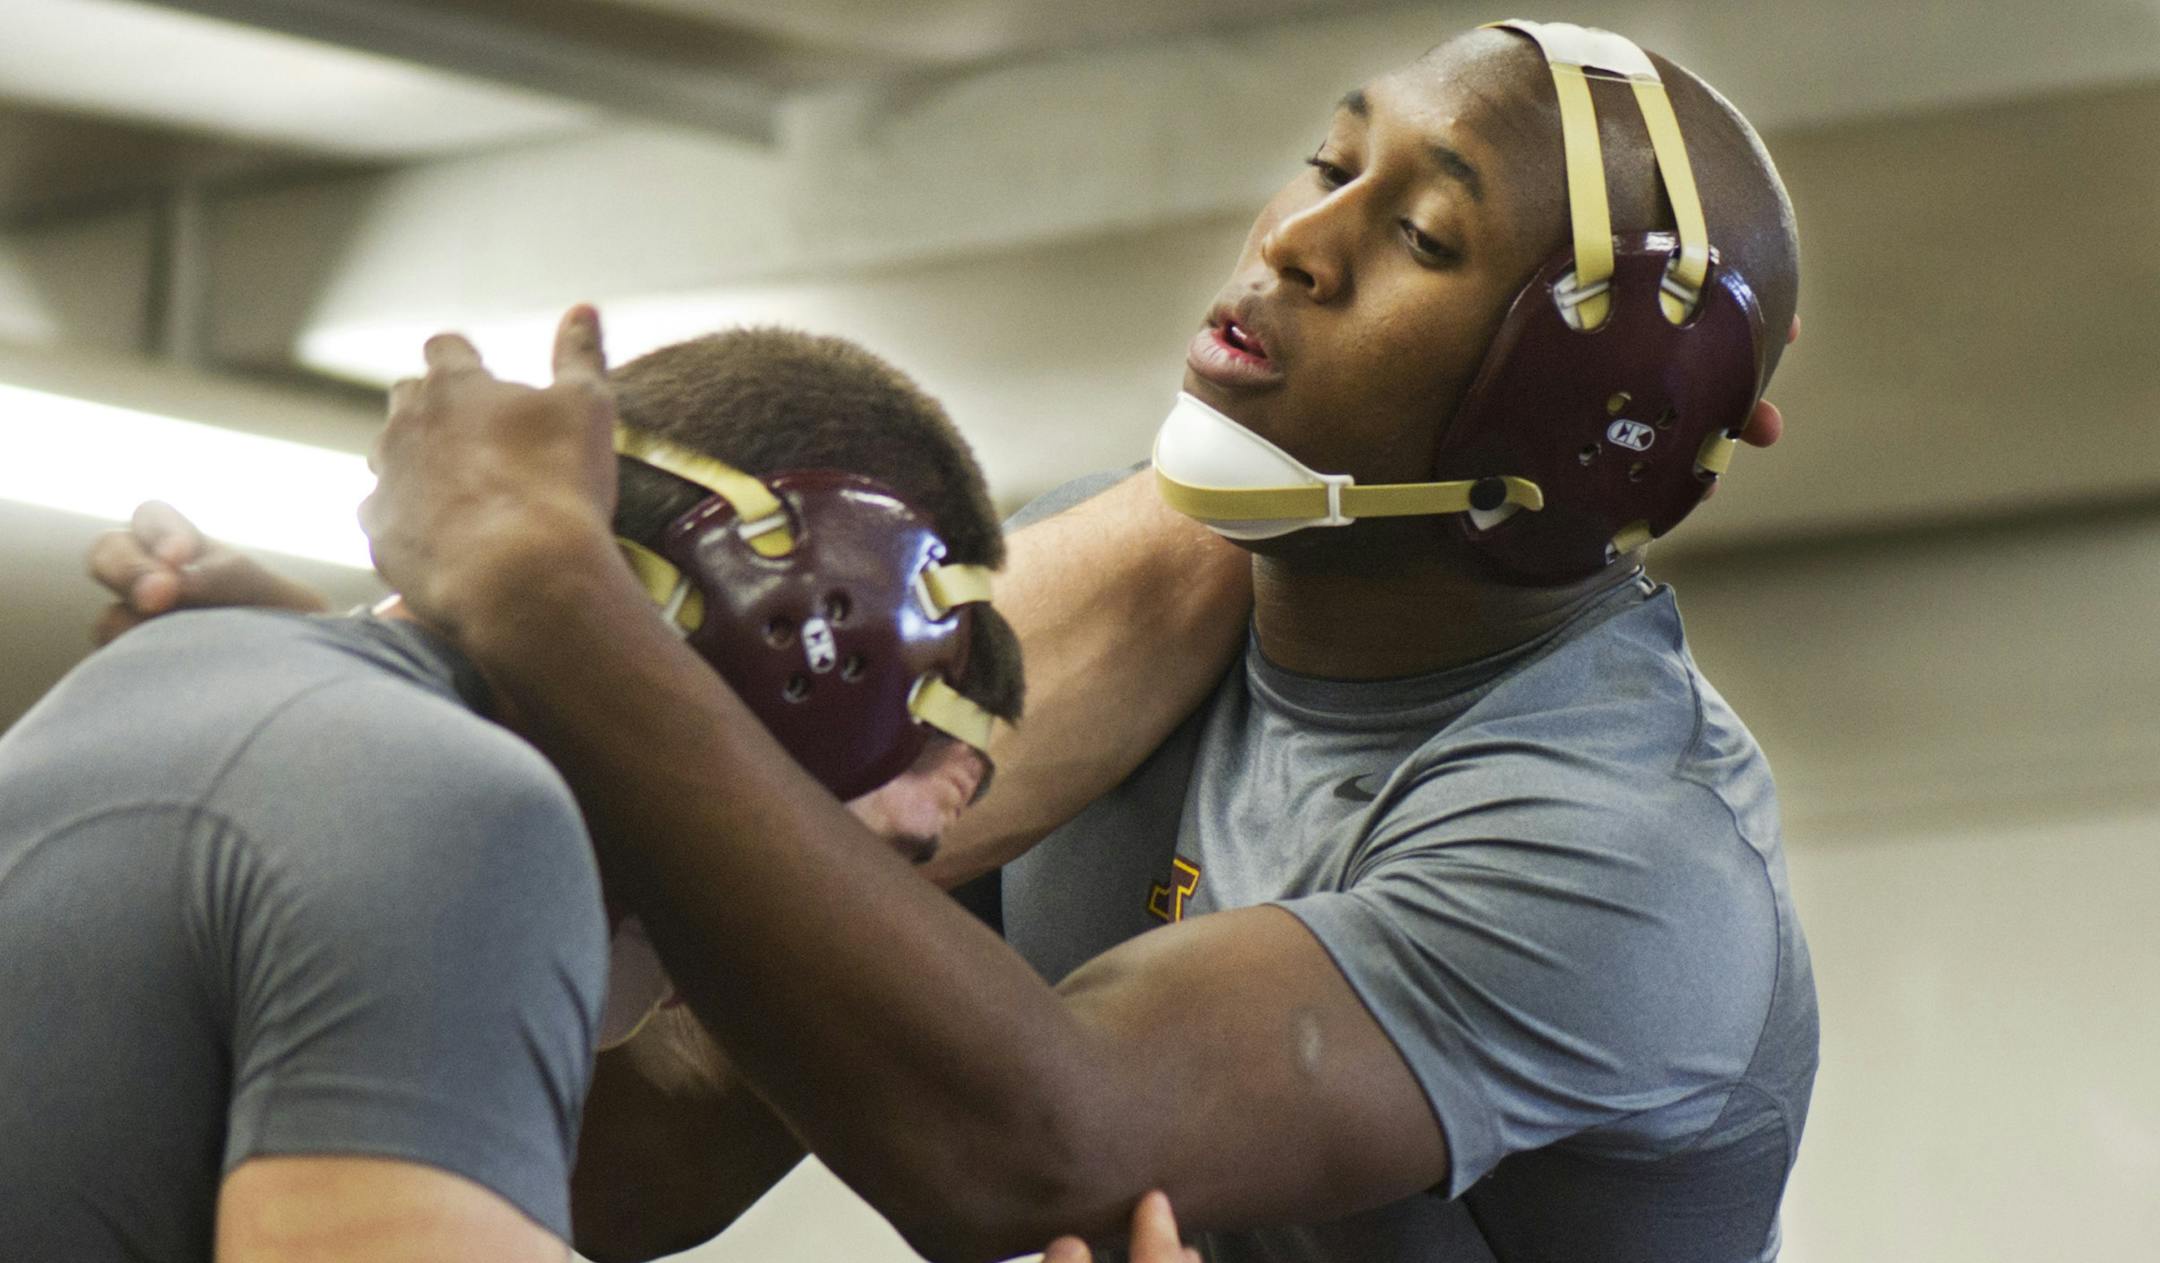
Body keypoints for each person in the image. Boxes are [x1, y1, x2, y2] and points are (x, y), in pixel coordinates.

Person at [100, 21, 1815, 1263]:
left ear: (1583, 420)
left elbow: (1022, 1143)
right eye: (1328, 161)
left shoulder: (1618, 848)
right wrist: (403, 750)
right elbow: (655, 1133)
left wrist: (538, 597)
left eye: (1421, 234)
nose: (1296, 240)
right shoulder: (1152, 610)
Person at [0, 326, 1023, 1261]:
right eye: (842, 853)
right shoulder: (458, 810)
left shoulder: (182, 685)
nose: (820, 930)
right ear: (767, 683)